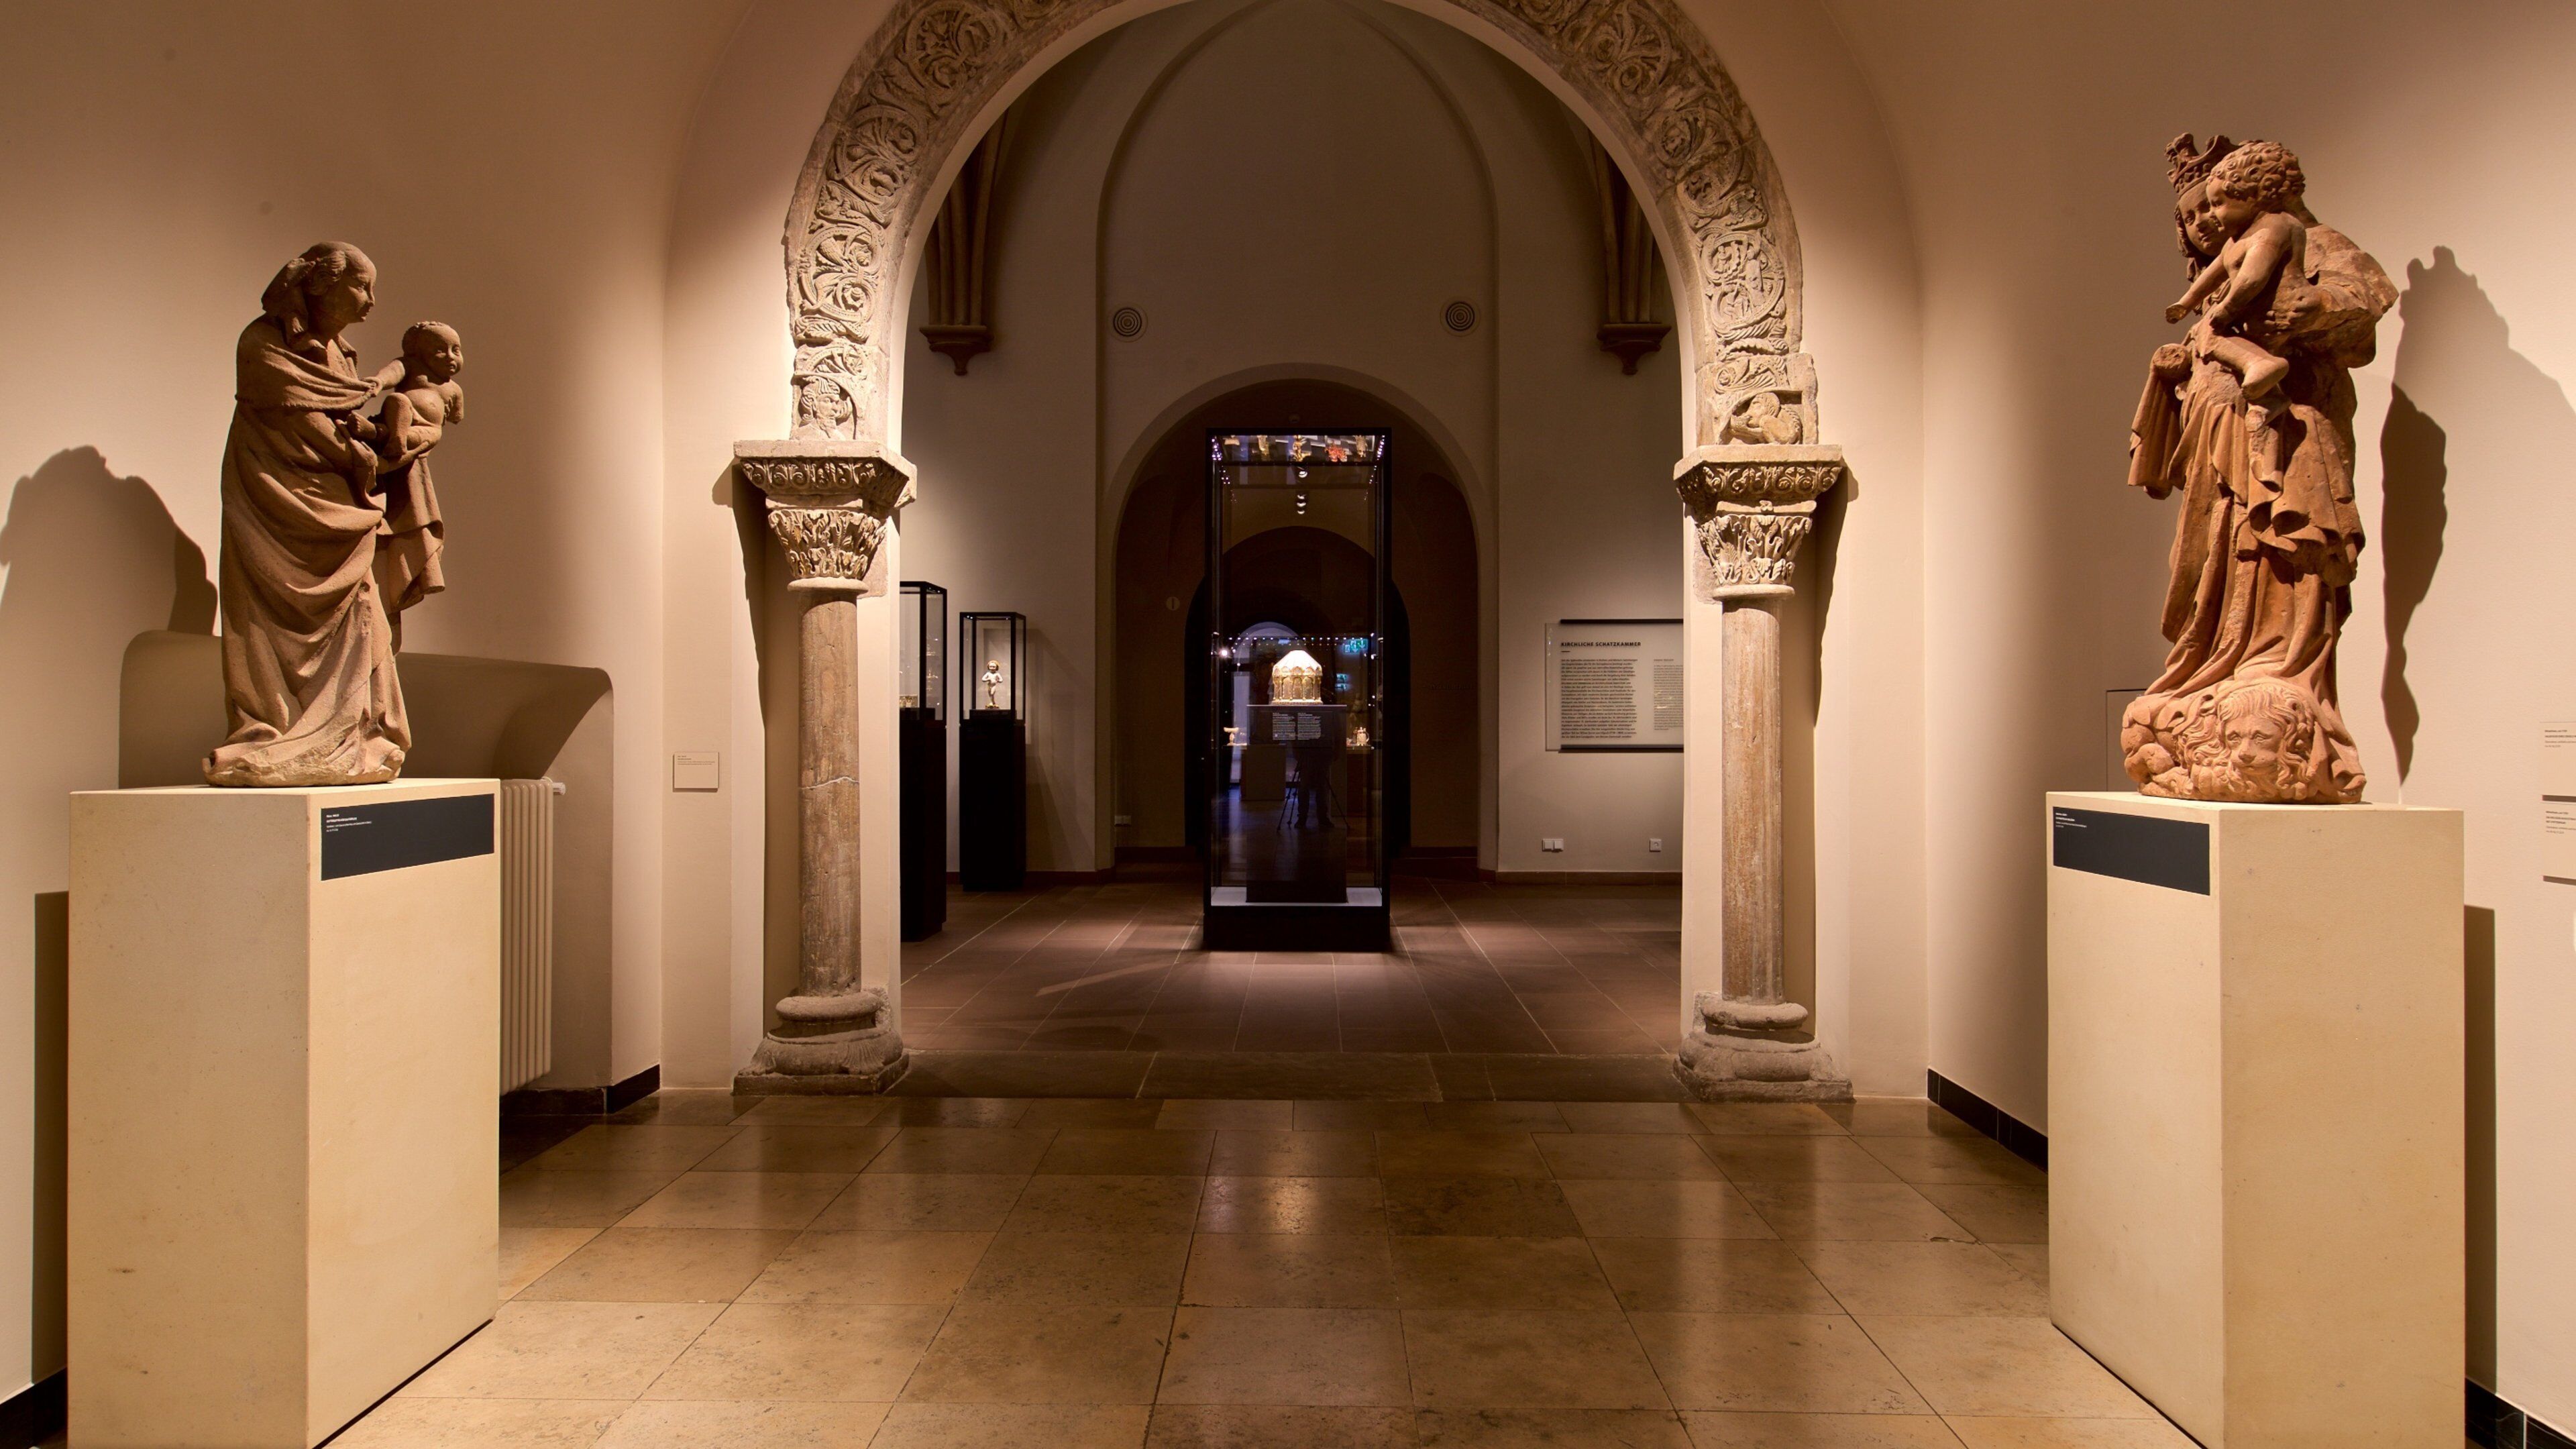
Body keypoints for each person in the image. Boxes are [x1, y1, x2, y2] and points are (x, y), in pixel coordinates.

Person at [204, 242, 413, 786]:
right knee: (265, 613)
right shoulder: (262, 344)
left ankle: (354, 731)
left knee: (357, 607)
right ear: (322, 285)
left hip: (338, 504)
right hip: (276, 501)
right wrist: (359, 455)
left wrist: (376, 444)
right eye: (361, 287)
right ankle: (274, 729)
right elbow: (302, 418)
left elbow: (341, 417)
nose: (370, 301)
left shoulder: (342, 355)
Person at [2164, 141, 2310, 400]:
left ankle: (2259, 365)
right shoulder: (2234, 246)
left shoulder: (2275, 229)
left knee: (2207, 332)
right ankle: (2268, 397)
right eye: (2189, 219)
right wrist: (2185, 304)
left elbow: (2253, 277)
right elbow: (2211, 276)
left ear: (2248, 195)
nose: (2205, 221)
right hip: (2224, 391)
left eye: (2212, 206)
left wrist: (2228, 308)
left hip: (2278, 326)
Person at [367, 322, 461, 648]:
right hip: (397, 424)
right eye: (440, 350)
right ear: (418, 354)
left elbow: (455, 416)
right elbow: (391, 374)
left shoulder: (450, 388)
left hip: (423, 434)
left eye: (456, 350)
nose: (450, 357)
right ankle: (384, 438)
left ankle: (385, 445)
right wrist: (377, 382)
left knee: (414, 434)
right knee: (397, 404)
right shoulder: (408, 369)